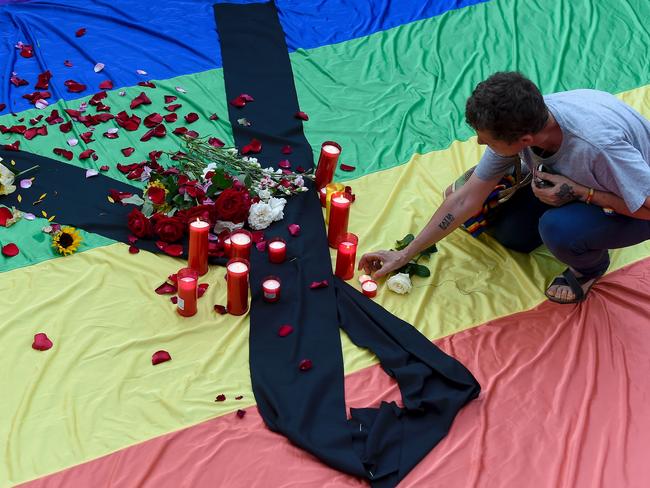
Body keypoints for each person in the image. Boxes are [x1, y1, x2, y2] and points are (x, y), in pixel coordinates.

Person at [358, 72, 650, 304]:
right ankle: (546, 192)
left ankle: (590, 268)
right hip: (579, 176)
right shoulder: (528, 117)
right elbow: (464, 201)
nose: (479, 144)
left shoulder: (598, 146)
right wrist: (404, 254)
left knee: (557, 229)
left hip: (637, 202)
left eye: (487, 140)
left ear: (524, 140)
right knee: (512, 235)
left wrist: (581, 193)